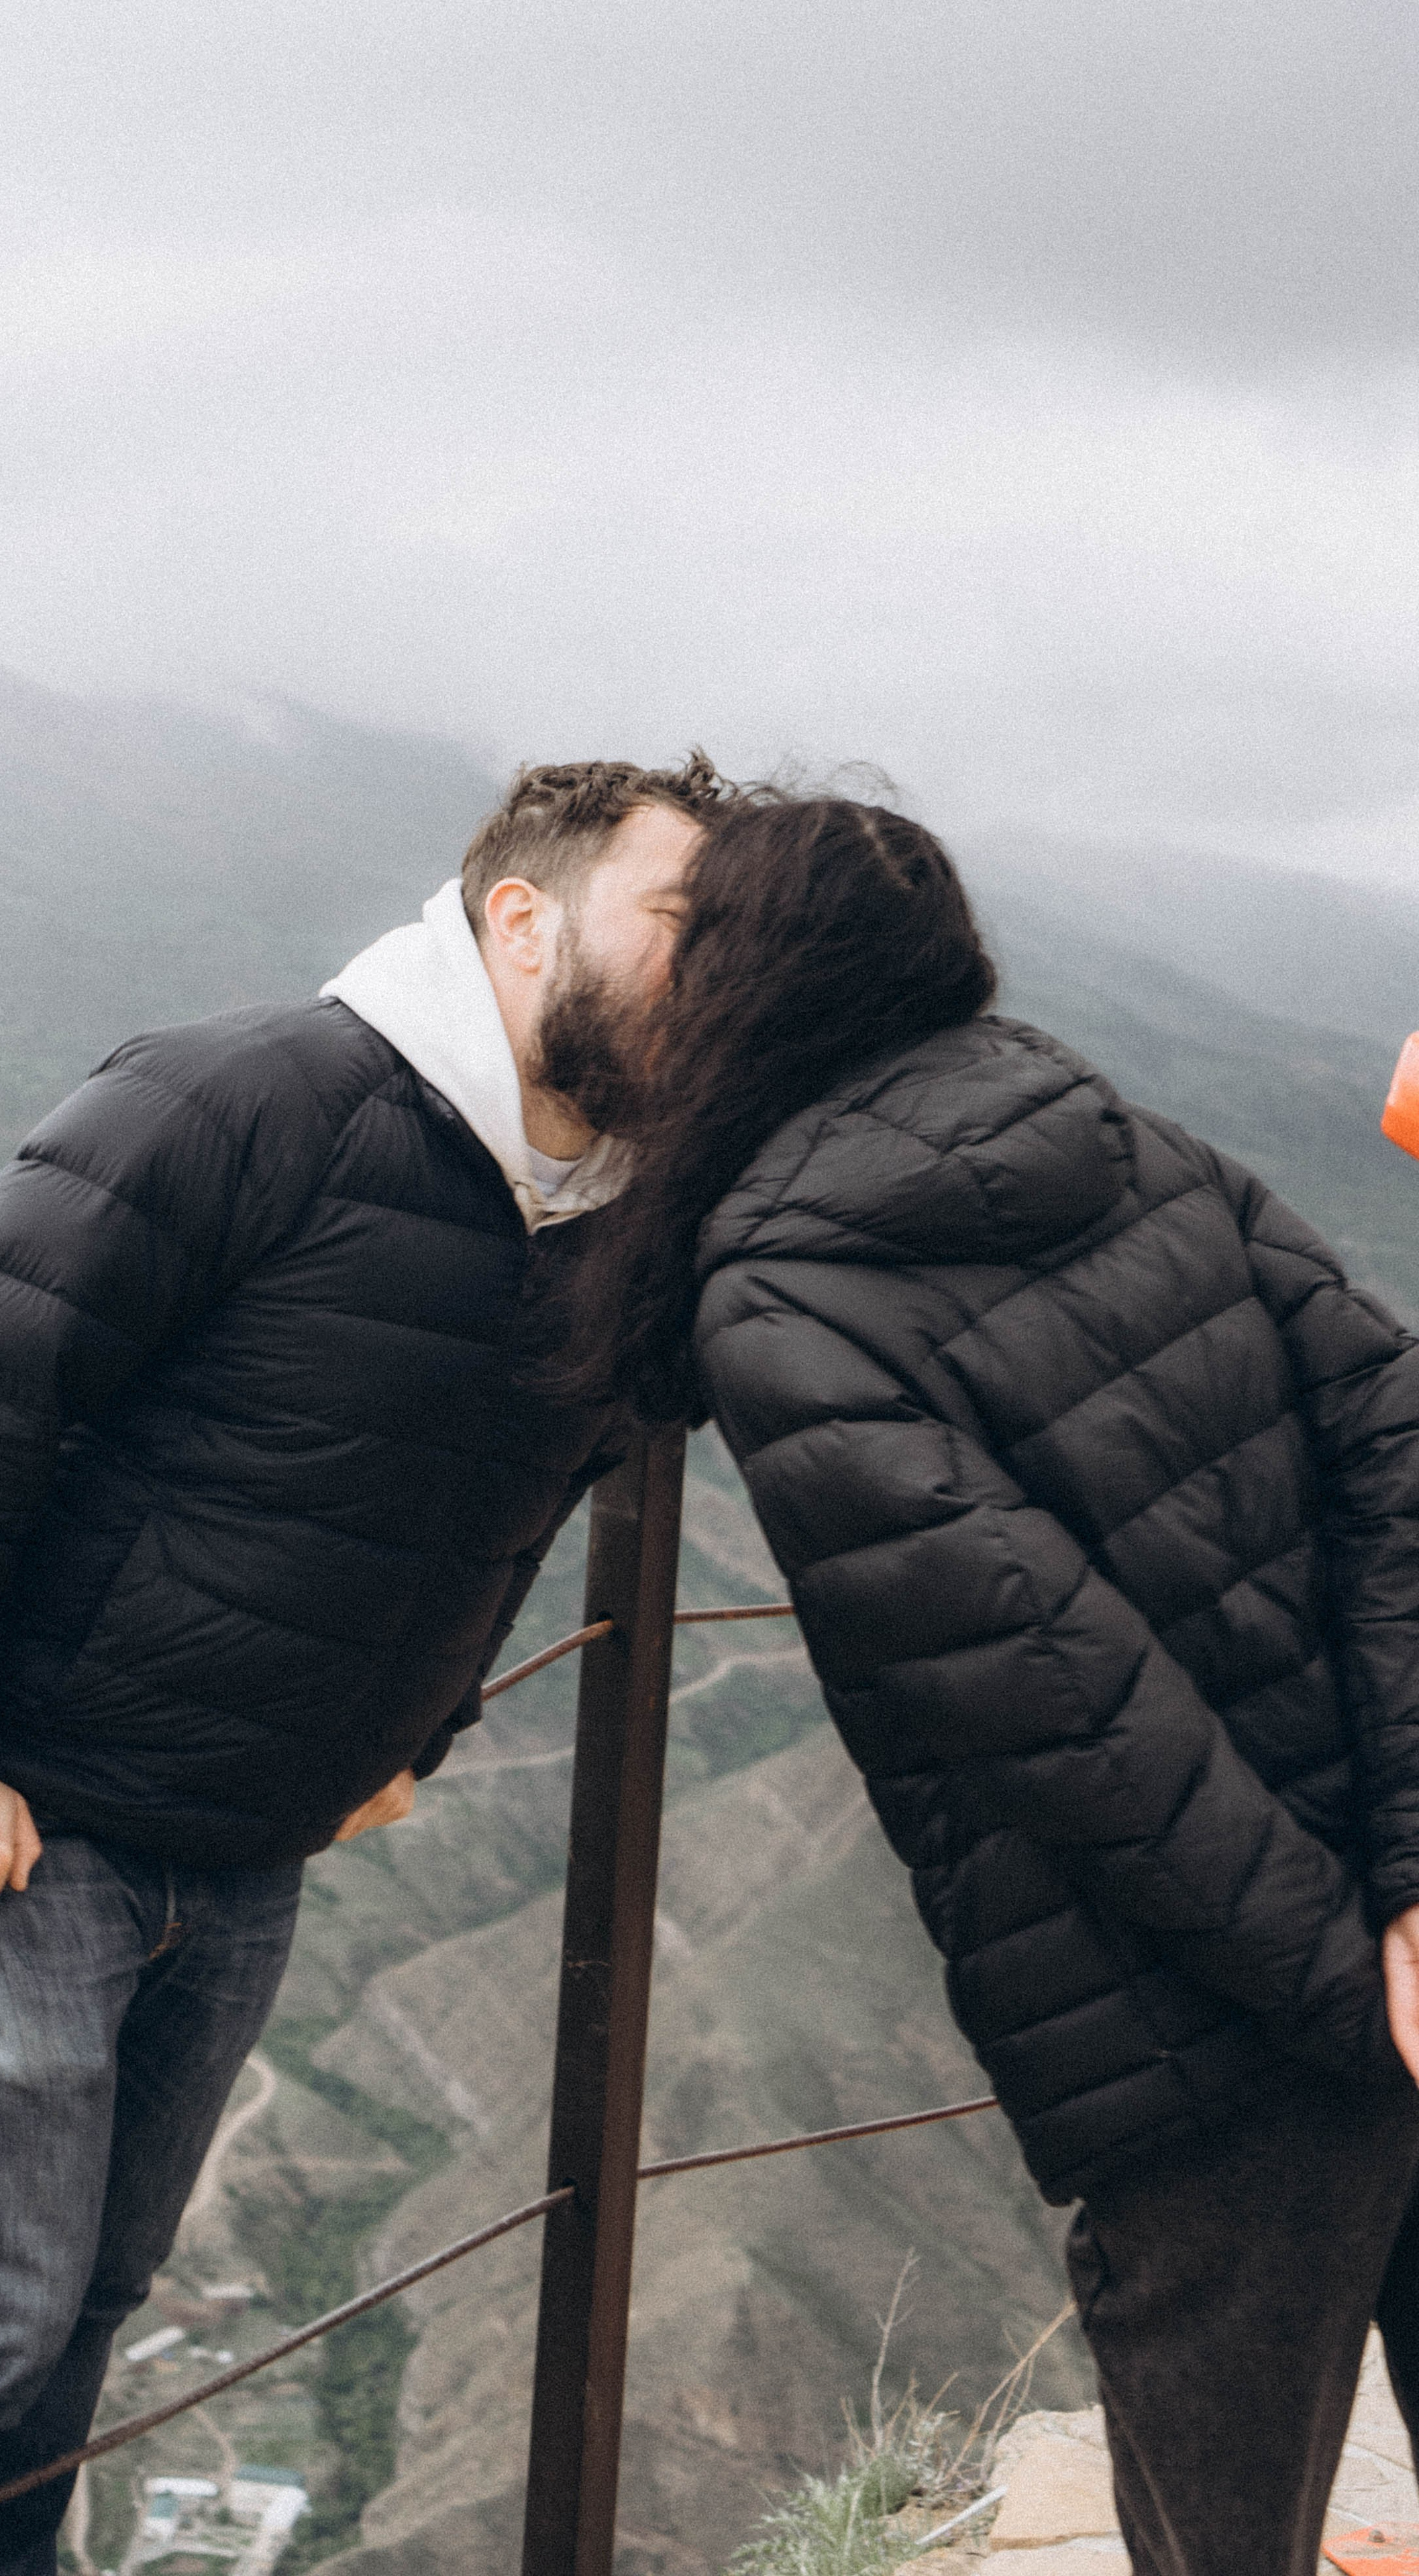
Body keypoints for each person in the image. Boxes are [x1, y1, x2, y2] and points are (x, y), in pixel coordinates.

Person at [0, 754, 727, 2575]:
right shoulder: (246, 1095)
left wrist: (416, 1735)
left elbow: (528, 1492)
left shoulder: (606, 1209)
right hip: (31, 1832)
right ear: (522, 922)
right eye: (684, 926)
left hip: (248, 1856)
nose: (716, 977)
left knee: (86, 2317)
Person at [555, 791, 1419, 2576]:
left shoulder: (779, 1293)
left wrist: (1348, 1988)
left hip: (1195, 2022)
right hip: (1381, 1954)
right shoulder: (1131, 1137)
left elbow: (1053, 1702)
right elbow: (1395, 1452)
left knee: (1217, 2526)